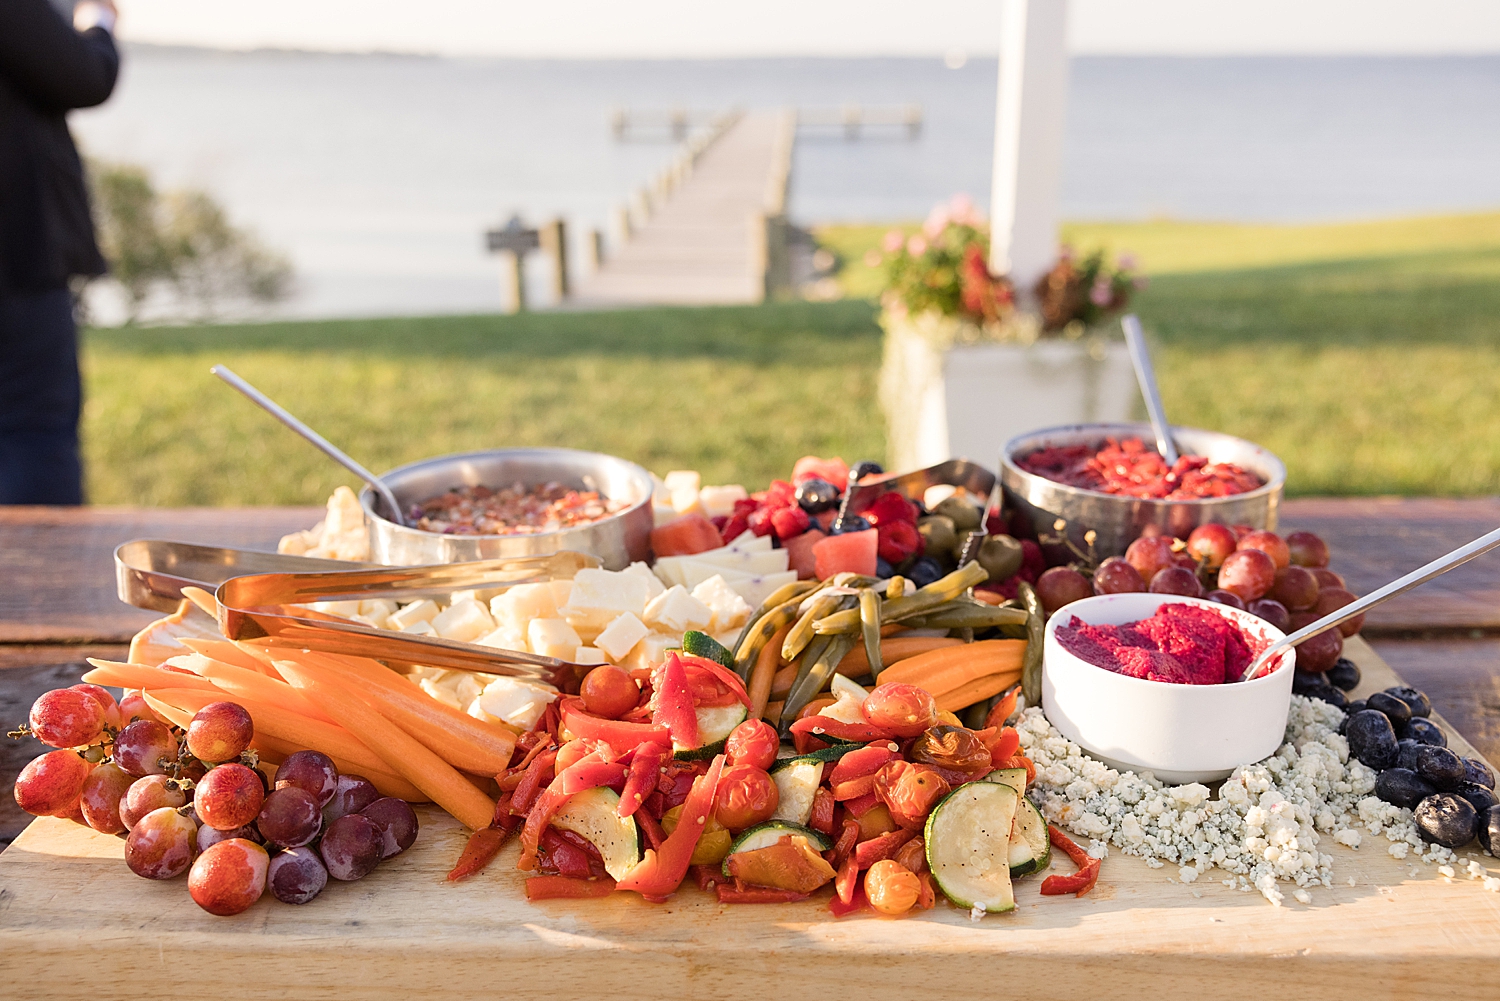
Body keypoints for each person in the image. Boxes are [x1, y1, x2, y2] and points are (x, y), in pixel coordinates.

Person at [0, 0, 119, 504]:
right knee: (33, 432)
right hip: (17, 254)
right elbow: (82, 75)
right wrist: (99, 19)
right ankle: (41, 582)